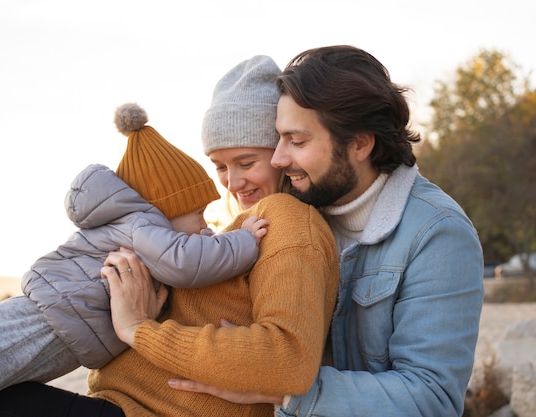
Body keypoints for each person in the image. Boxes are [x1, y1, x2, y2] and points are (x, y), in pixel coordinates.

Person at [0, 55, 340, 417]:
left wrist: (137, 329)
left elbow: (286, 361)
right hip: (118, 398)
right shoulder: (233, 229)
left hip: (143, 411)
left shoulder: (286, 221)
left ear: (282, 154)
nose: (233, 182)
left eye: (247, 161)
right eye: (220, 167)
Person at [169, 45, 486, 417]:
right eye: (279, 138)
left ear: (360, 143)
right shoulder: (295, 214)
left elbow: (432, 399)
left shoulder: (438, 234)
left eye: (297, 142)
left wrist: (282, 389)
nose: (279, 158)